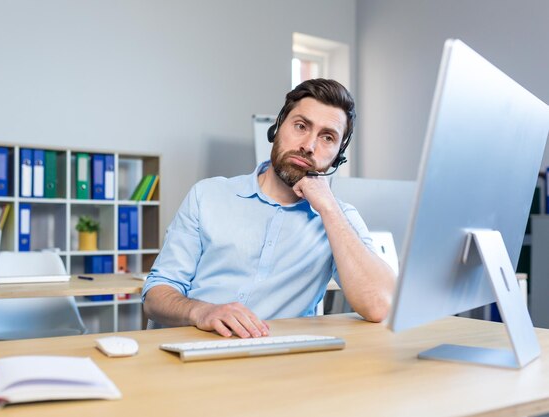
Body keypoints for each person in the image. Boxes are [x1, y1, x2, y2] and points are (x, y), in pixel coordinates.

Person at [142, 79, 395, 338]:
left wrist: (328, 208)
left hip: (276, 363)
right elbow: (156, 296)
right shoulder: (207, 195)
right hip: (192, 348)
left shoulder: (339, 217)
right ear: (278, 126)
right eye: (301, 126)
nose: (309, 145)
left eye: (327, 137)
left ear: (338, 155)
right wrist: (201, 312)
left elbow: (380, 305)